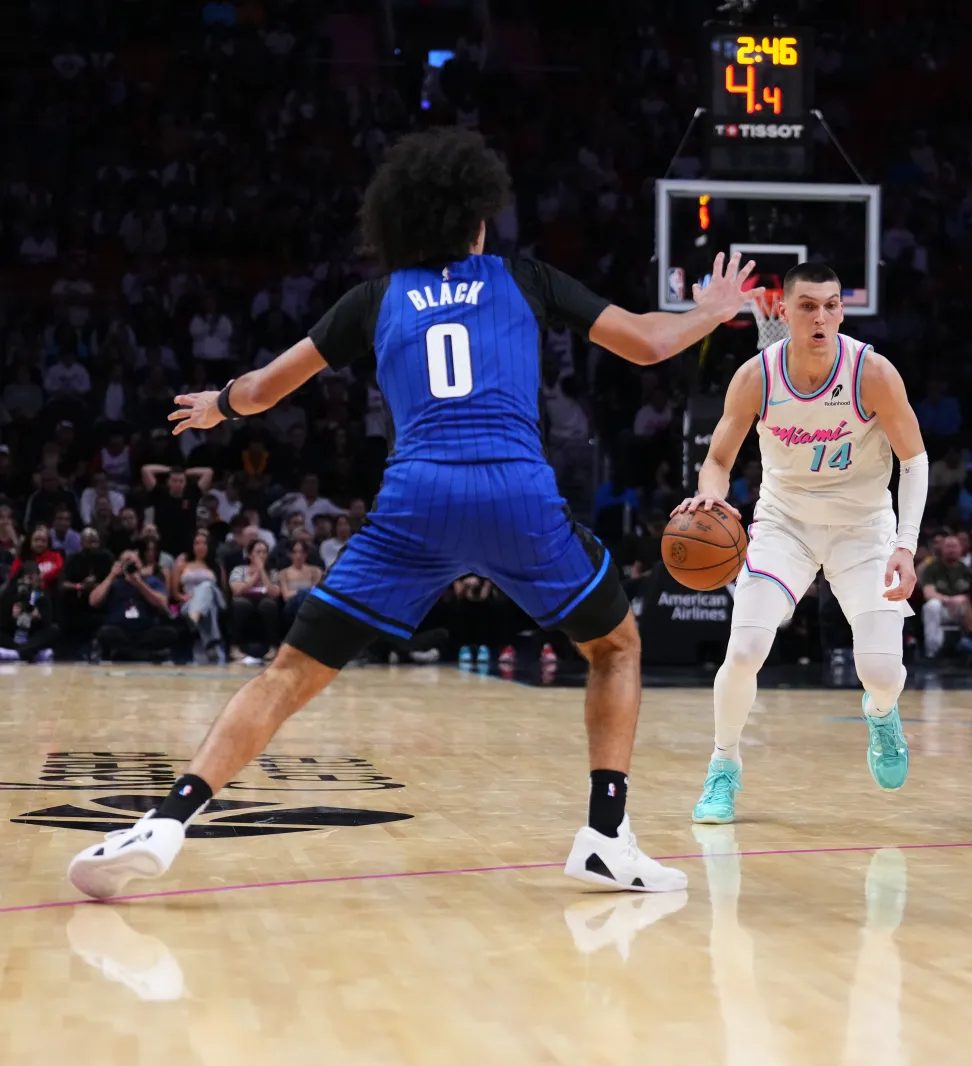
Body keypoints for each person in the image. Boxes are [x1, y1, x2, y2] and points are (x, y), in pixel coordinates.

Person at [68, 127, 756, 899]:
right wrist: (712, 311)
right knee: (617, 646)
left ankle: (166, 819)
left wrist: (218, 404)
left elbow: (261, 390)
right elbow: (648, 343)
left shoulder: (375, 298)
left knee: (288, 673)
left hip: (415, 503)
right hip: (515, 497)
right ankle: (605, 835)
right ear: (478, 222)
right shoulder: (523, 278)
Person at [675, 261, 927, 824]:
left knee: (882, 674)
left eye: (831, 305)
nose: (821, 317)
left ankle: (881, 714)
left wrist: (905, 545)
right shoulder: (756, 377)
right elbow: (717, 461)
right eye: (808, 306)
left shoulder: (872, 372)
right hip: (784, 525)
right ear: (783, 311)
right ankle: (723, 766)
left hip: (863, 530)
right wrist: (710, 498)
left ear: (841, 311)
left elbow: (914, 460)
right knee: (744, 650)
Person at [89, 542, 177, 662]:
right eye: (126, 562)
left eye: (133, 562)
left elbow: (162, 603)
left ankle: (128, 651)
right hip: (120, 630)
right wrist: (111, 575)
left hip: (146, 630)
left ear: (140, 564)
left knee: (169, 633)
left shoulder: (151, 581)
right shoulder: (114, 583)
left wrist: (139, 583)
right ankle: (132, 651)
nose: (129, 565)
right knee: (104, 632)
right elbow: (93, 601)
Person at [170, 530, 226, 664]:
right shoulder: (182, 565)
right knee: (209, 609)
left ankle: (196, 615)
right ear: (192, 546)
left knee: (207, 586)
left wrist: (205, 594)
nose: (201, 546)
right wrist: (183, 598)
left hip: (214, 600)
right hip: (188, 603)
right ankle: (211, 643)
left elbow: (223, 591)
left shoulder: (216, 566)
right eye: (197, 543)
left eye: (204, 543)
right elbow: (175, 592)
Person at [228, 538, 281, 664]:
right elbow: (237, 590)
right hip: (244, 598)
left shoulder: (272, 572)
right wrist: (256, 574)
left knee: (269, 605)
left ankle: (273, 647)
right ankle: (235, 647)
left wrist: (262, 571)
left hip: (265, 599)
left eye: (264, 552)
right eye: (258, 552)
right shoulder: (239, 569)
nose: (262, 555)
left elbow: (275, 592)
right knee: (241, 604)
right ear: (250, 555)